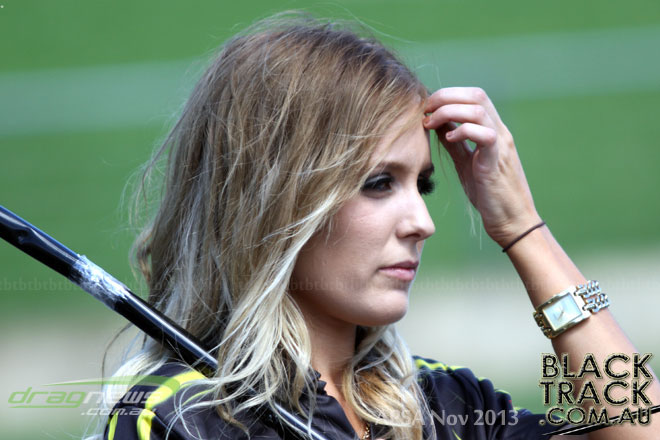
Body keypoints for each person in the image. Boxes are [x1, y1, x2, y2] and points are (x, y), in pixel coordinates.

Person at [97, 12, 659, 440]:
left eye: (423, 185)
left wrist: (521, 229)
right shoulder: (179, 417)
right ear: (276, 202)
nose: (422, 223)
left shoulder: (441, 403)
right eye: (379, 183)